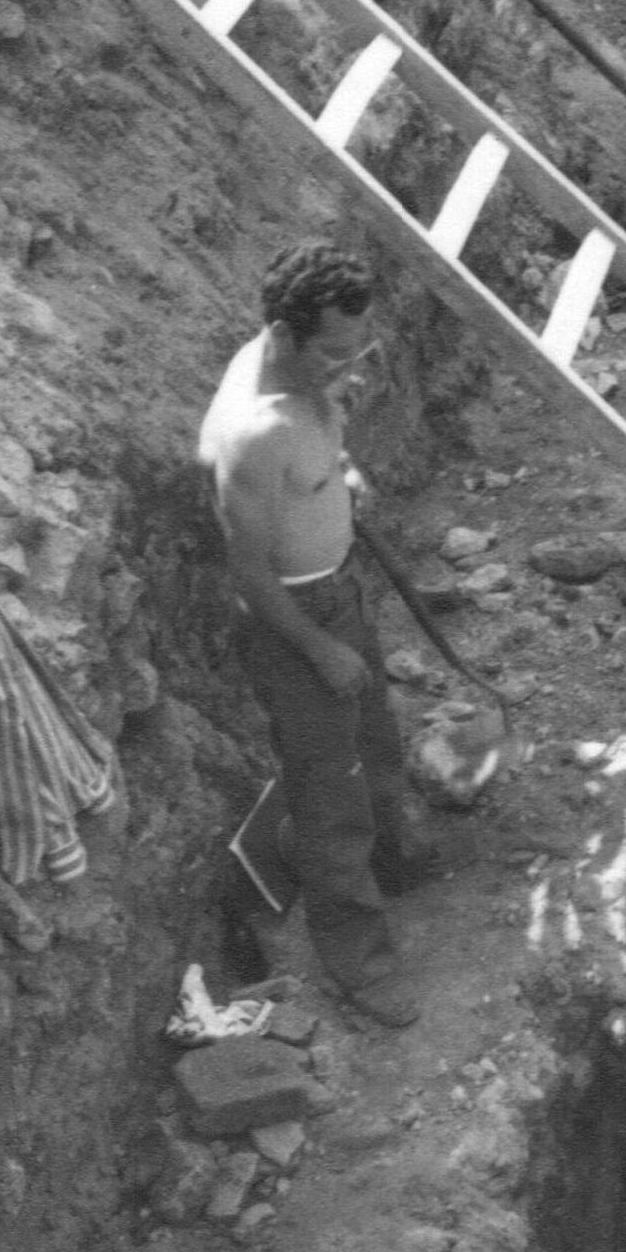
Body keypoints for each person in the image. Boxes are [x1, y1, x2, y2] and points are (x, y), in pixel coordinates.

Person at [198, 241, 428, 1026]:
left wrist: (338, 477)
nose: (348, 365)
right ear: (286, 334)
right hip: (298, 619)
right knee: (330, 793)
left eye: (358, 347)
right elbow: (251, 571)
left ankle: (390, 860)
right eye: (333, 351)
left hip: (340, 593)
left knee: (379, 744)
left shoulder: (303, 381)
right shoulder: (253, 432)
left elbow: (313, 455)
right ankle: (357, 961)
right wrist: (319, 647)